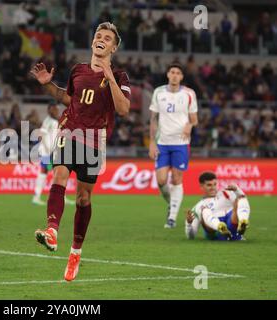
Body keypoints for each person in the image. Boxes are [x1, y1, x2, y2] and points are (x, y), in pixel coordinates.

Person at [30, 22, 131, 281]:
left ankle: (75, 252)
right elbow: (69, 99)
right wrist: (48, 85)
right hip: (69, 130)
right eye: (99, 35)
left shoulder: (119, 77)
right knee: (59, 175)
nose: (101, 39)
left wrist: (109, 77)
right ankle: (52, 231)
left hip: (95, 140)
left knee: (84, 199)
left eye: (107, 38)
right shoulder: (78, 70)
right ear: (93, 42)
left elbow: (123, 109)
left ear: (113, 47)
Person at [148, 63, 198, 229]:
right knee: (161, 180)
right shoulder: (158, 92)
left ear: (182, 76)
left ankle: (172, 217)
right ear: (168, 74)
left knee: (177, 178)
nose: (175, 75)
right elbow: (153, 119)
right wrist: (152, 142)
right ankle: (172, 203)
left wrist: (190, 126)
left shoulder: (189, 94)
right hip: (162, 142)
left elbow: (194, 119)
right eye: (172, 72)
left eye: (178, 73)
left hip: (181, 143)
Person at [185, 172, 250, 241]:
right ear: (201, 186)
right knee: (204, 210)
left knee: (241, 198)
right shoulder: (198, 206)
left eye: (215, 184)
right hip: (214, 233)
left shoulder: (226, 193)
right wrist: (189, 224)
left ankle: (243, 221)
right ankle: (219, 227)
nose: (213, 188)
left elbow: (243, 201)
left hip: (231, 224)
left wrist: (237, 190)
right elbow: (191, 236)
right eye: (209, 185)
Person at [32, 103, 75, 206]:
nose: (55, 111)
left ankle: (61, 197)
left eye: (56, 109)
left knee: (59, 173)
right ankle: (36, 197)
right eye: (53, 109)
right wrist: (47, 149)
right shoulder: (48, 121)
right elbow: (40, 136)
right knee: (44, 171)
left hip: (55, 151)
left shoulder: (57, 121)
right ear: (49, 110)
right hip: (47, 152)